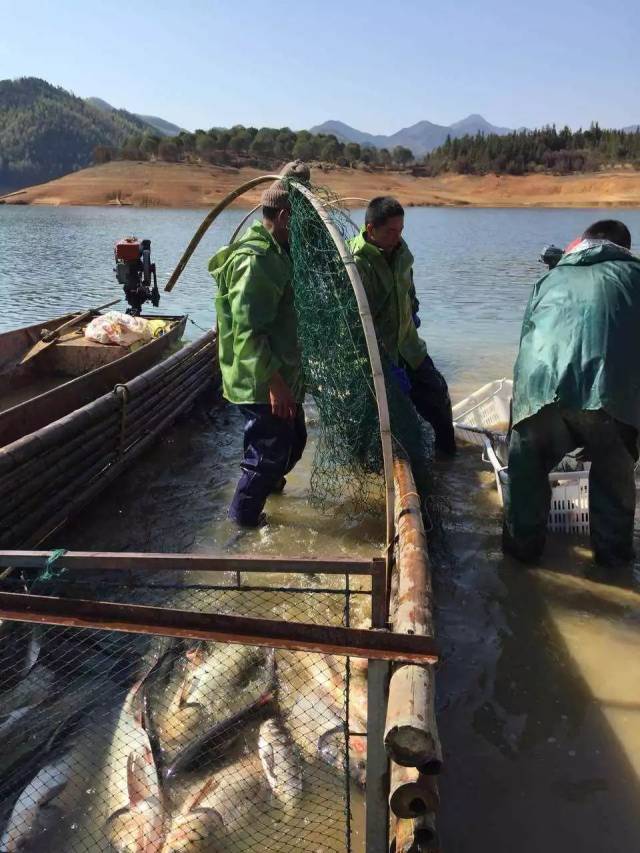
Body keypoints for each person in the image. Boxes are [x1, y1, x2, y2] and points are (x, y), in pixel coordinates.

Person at [504, 219, 640, 567]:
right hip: (608, 396)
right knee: (613, 481)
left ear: (582, 243)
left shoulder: (550, 278)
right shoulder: (635, 274)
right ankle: (614, 570)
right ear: (625, 248)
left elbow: (525, 345)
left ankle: (520, 564)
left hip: (538, 390)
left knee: (527, 478)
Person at [208, 161, 310, 526]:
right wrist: (275, 382)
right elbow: (249, 330)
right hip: (260, 377)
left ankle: (269, 486)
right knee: (267, 453)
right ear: (284, 216)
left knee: (294, 440)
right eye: (302, 218)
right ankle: (243, 521)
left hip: (280, 371)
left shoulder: (280, 249)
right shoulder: (258, 260)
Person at [349, 196, 456, 455]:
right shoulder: (355, 263)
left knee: (438, 397)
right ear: (371, 229)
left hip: (410, 347)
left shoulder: (401, 251)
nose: (397, 237)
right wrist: (384, 364)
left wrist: (413, 309)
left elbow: (409, 288)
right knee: (383, 422)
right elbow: (353, 320)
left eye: (401, 230)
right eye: (391, 231)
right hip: (378, 357)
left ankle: (448, 461)